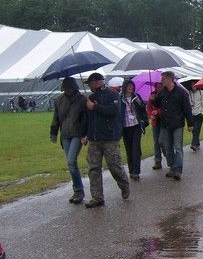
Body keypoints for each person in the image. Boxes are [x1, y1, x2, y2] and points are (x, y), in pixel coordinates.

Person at [81, 73, 130, 208]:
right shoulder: (90, 98)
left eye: (90, 83)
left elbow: (113, 111)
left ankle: (124, 184)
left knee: (114, 166)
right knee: (93, 168)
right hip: (94, 139)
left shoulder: (113, 95)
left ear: (97, 82)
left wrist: (95, 107)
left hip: (110, 138)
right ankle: (97, 197)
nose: (89, 86)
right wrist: (84, 134)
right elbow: (88, 118)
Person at [50, 77, 86, 204]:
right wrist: (53, 132)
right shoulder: (59, 100)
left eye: (69, 87)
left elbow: (85, 118)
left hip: (77, 134)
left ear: (74, 87)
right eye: (65, 88)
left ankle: (78, 190)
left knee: (71, 161)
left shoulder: (82, 99)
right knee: (71, 164)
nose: (67, 90)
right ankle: (77, 190)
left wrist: (85, 134)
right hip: (65, 135)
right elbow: (56, 117)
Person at [153, 71, 194, 181]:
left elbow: (187, 109)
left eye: (163, 79)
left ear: (170, 79)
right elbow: (157, 104)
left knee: (178, 148)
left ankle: (178, 170)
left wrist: (190, 123)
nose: (161, 81)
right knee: (166, 146)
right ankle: (172, 166)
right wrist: (153, 99)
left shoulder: (181, 92)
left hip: (177, 124)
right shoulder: (162, 92)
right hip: (165, 124)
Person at [120, 80, 147, 180]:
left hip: (136, 126)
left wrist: (140, 103)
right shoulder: (120, 98)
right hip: (125, 127)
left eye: (132, 86)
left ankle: (136, 171)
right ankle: (131, 170)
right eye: (129, 86)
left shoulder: (136, 96)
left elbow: (143, 109)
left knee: (136, 148)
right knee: (129, 149)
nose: (131, 88)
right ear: (125, 87)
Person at [148, 82, 164, 170]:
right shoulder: (152, 95)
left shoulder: (165, 95)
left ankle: (169, 158)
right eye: (157, 87)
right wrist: (151, 114)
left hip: (164, 121)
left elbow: (166, 107)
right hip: (155, 122)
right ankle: (157, 161)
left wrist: (158, 111)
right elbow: (149, 108)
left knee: (162, 141)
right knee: (156, 142)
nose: (158, 88)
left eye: (160, 87)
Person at [188, 82, 203, 151]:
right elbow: (187, 104)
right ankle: (197, 144)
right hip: (191, 114)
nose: (194, 86)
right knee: (195, 130)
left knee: (196, 129)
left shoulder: (201, 92)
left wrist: (202, 112)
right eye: (192, 85)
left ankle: (193, 144)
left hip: (199, 114)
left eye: (195, 85)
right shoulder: (188, 93)